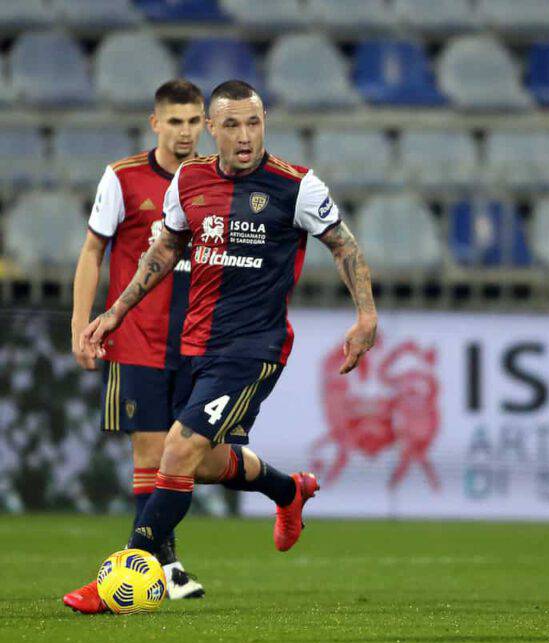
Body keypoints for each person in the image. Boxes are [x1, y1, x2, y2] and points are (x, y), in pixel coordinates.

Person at [73, 78, 379, 613]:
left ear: (265, 124)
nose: (244, 136)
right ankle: (288, 490)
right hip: (196, 344)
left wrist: (366, 314)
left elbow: (343, 246)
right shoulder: (188, 180)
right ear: (211, 129)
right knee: (207, 463)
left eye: (254, 122)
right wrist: (115, 311)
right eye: (232, 124)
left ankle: (122, 577)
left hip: (253, 348)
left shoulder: (297, 186)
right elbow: (163, 251)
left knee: (177, 448)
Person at [68, 79, 207, 602]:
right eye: (175, 121)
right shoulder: (122, 178)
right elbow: (91, 253)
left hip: (198, 341)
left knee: (197, 458)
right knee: (151, 454)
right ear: (156, 124)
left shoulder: (217, 182)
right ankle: (161, 567)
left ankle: (281, 487)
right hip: (138, 340)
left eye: (194, 121)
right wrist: (82, 323)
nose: (186, 132)